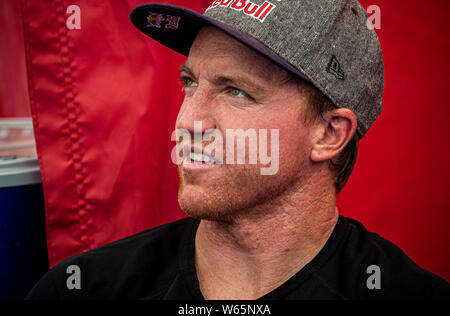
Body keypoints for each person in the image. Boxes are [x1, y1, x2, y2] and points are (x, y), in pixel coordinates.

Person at [27, 0, 449, 300]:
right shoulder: (85, 286)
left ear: (329, 134)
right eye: (190, 82)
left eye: (236, 92)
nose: (188, 123)